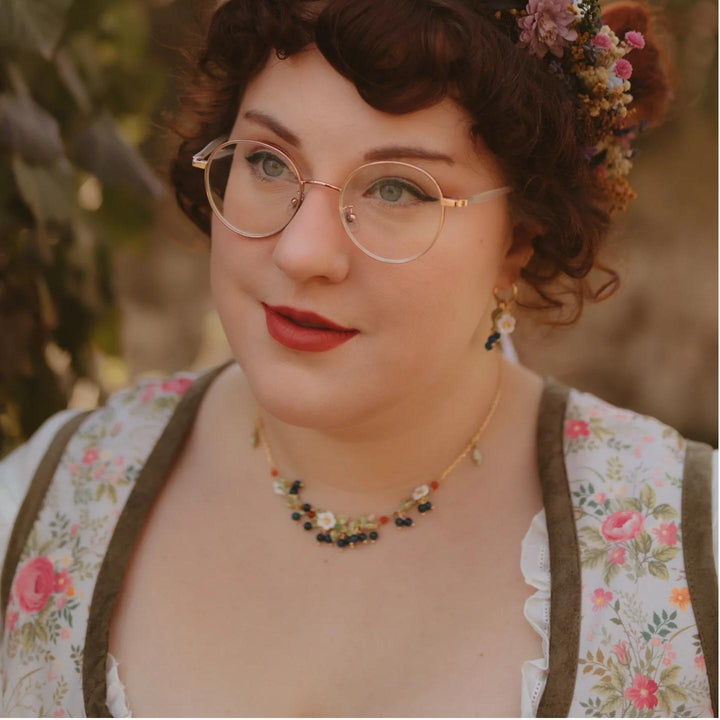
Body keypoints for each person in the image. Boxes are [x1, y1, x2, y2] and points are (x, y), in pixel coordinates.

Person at [0, 0, 716, 717]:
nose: (302, 251)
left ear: (516, 241)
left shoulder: (694, 554)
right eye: (268, 162)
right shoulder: (42, 505)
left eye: (397, 188)